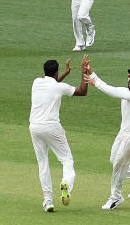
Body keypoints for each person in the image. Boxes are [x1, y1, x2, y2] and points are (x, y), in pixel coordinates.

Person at [84, 61, 130, 210]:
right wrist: (92, 73)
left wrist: (94, 83)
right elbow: (112, 88)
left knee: (118, 164)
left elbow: (113, 92)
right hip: (122, 133)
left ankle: (115, 197)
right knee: (114, 160)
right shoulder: (127, 92)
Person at [29, 57, 89, 212]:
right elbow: (82, 92)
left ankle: (48, 201)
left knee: (43, 164)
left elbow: (53, 84)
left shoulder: (36, 83)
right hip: (52, 127)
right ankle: (66, 185)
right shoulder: (60, 87)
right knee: (67, 160)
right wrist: (84, 72)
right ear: (56, 72)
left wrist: (65, 74)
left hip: (34, 127)